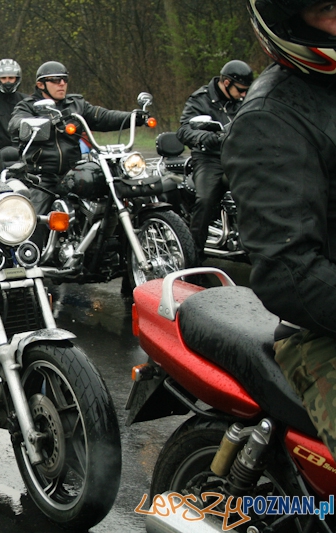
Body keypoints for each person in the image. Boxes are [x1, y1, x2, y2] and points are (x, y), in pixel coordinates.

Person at [223, 0, 336, 461]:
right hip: (321, 331)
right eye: (328, 6)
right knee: (205, 190)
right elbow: (290, 271)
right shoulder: (270, 118)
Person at [9, 61, 145, 235]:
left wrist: (133, 116)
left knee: (112, 195)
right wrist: (39, 123)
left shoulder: (76, 104)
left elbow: (102, 116)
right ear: (41, 85)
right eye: (56, 80)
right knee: (32, 224)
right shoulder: (28, 106)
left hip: (73, 173)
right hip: (42, 177)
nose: (62, 84)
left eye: (64, 80)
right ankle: (30, 256)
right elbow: (15, 124)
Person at [178, 59, 253, 262]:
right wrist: (207, 138)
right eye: (241, 90)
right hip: (210, 157)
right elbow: (184, 130)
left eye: (247, 90)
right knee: (205, 199)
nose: (244, 94)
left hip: (241, 155)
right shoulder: (201, 100)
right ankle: (193, 259)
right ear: (226, 83)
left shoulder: (245, 99)